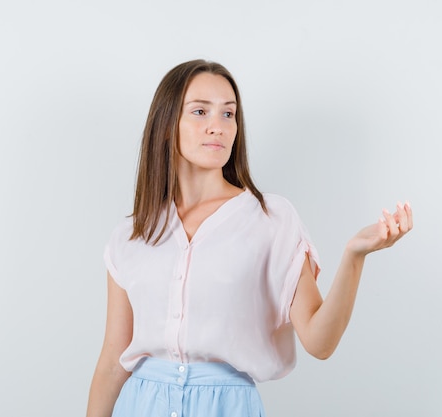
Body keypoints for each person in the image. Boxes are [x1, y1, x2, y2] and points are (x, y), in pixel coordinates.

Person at [86, 59, 413, 417]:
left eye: (229, 114)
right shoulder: (132, 235)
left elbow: (320, 342)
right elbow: (111, 362)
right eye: (200, 112)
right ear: (166, 126)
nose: (218, 127)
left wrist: (354, 256)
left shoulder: (271, 219)